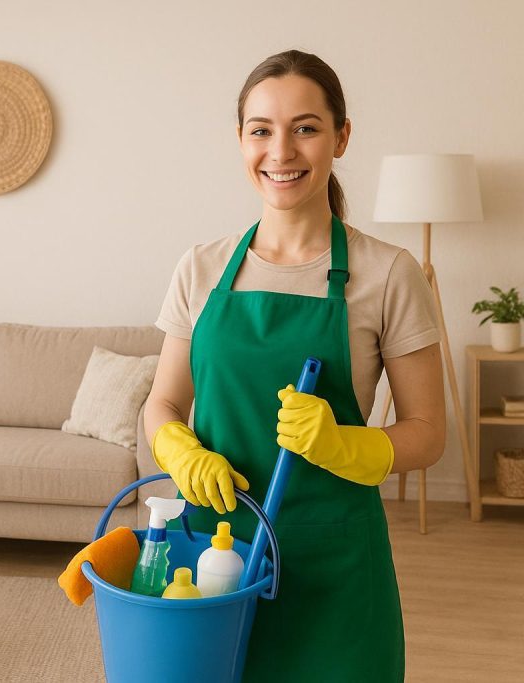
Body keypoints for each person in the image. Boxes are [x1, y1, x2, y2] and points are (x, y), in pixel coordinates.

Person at [144, 49, 445, 682]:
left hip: (334, 565)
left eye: (305, 128)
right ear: (241, 140)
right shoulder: (200, 268)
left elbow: (428, 432)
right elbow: (162, 404)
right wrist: (180, 451)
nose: (281, 151)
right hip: (213, 557)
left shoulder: (389, 273)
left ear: (341, 136)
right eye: (262, 130)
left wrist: (341, 445)